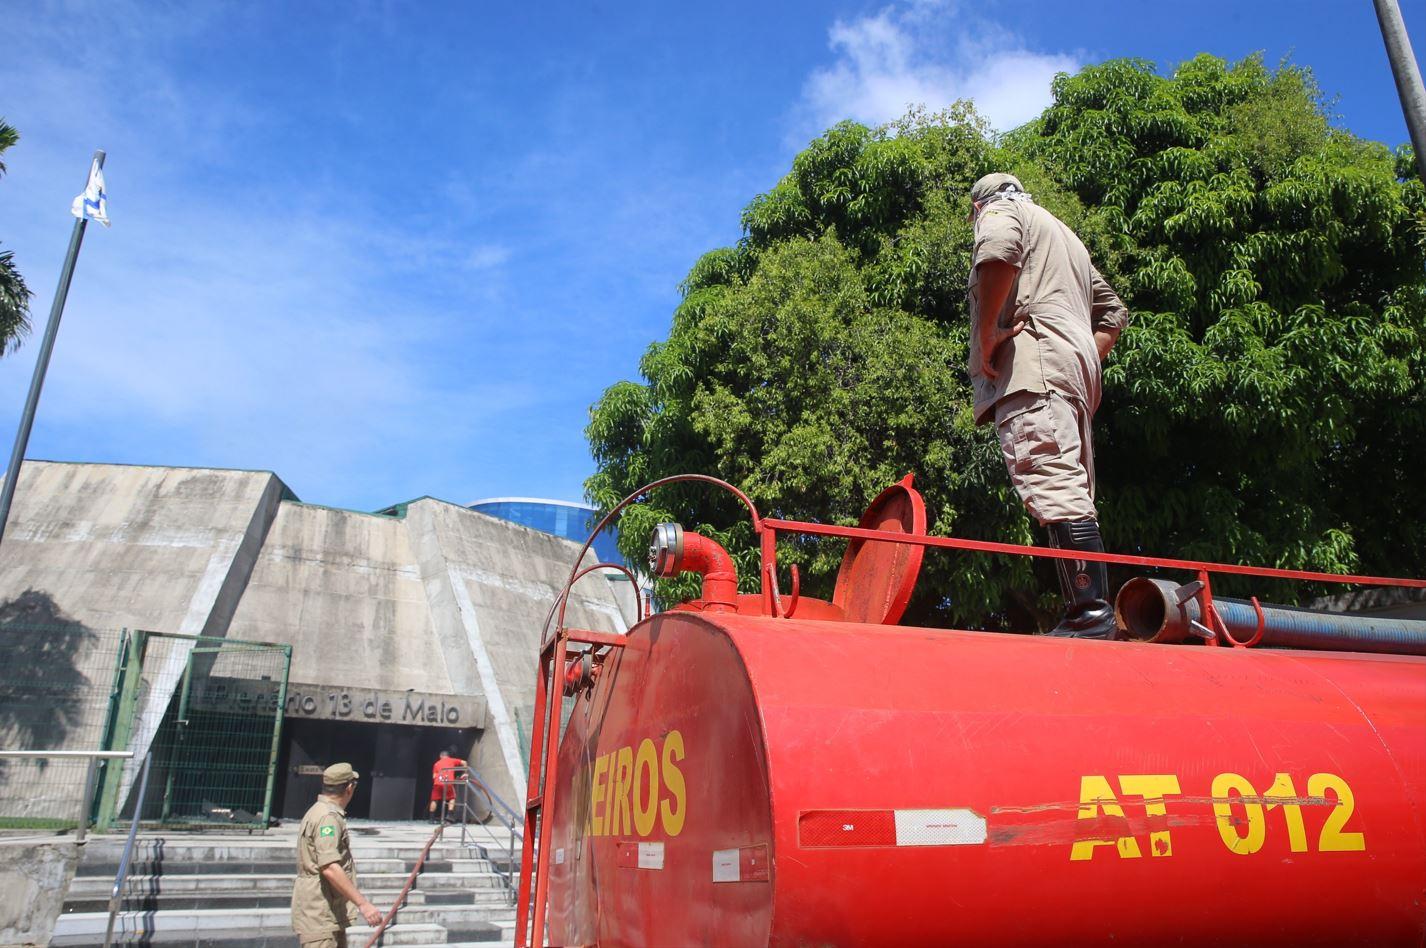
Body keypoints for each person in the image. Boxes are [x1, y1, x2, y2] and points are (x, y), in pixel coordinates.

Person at [966, 172, 1130, 639]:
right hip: (1072, 374)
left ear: (978, 206)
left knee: (1050, 476)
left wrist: (988, 334)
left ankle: (1091, 615)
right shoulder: (1068, 237)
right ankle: (1088, 610)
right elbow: (1113, 311)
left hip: (1034, 363)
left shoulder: (1000, 211)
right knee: (1071, 482)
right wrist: (1082, 354)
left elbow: (998, 249)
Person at [291, 763, 384, 947]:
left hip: (326, 911)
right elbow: (330, 868)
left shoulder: (319, 811)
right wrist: (363, 904)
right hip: (321, 911)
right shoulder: (328, 818)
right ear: (349, 788)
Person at [429, 748, 467, 822]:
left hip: (438, 783)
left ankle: (431, 818)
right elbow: (464, 762)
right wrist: (465, 773)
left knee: (434, 800)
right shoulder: (452, 760)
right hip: (448, 782)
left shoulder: (436, 763)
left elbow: (434, 776)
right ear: (448, 756)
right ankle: (449, 815)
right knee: (452, 798)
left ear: (441, 756)